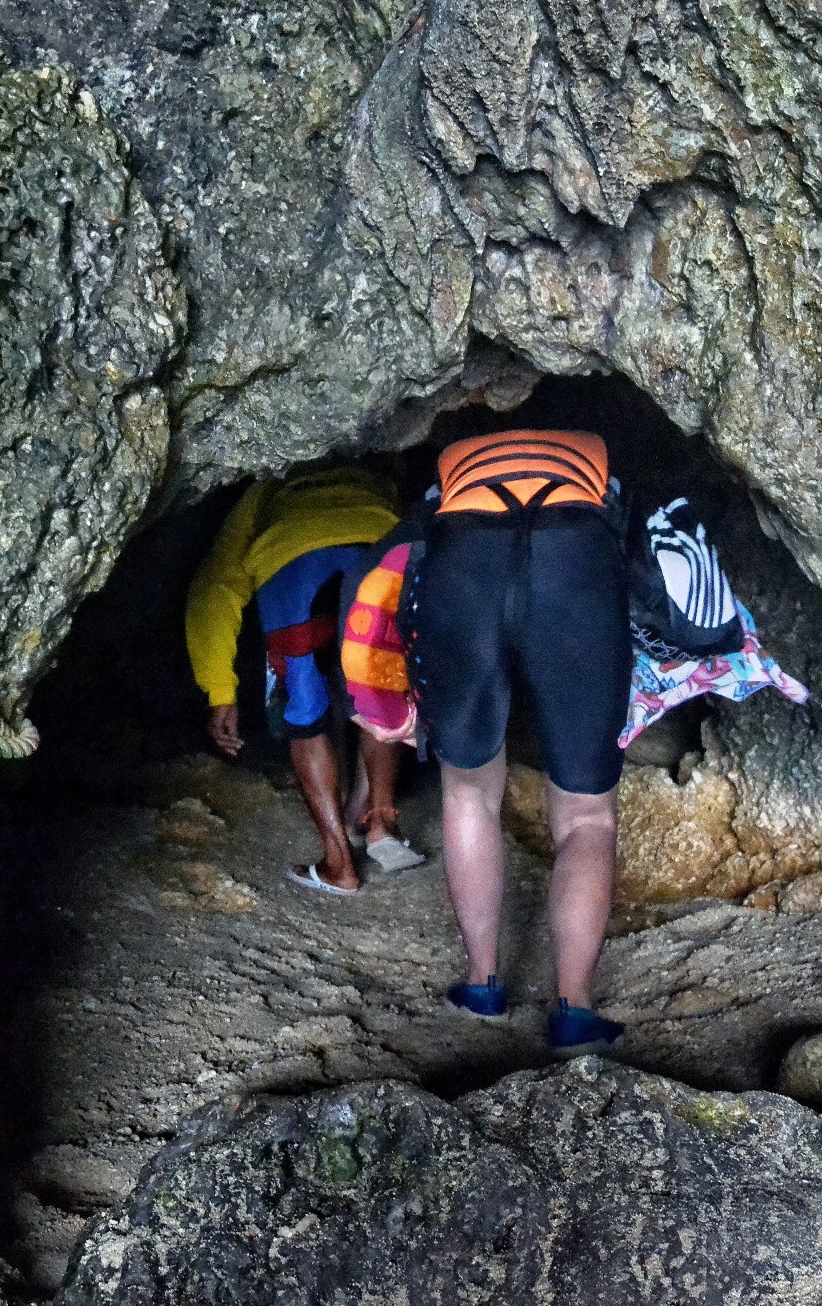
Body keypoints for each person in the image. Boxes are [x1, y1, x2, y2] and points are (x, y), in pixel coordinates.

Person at [344, 426, 629, 1053]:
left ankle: (481, 984)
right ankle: (574, 1009)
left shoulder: (448, 474)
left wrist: (384, 700)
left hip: (462, 568)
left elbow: (386, 571)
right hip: (575, 562)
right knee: (587, 817)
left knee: (469, 792)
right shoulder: (596, 460)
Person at [186, 463, 425, 893]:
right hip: (379, 551)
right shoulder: (378, 478)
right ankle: (379, 824)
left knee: (305, 710)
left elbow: (217, 585)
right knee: (379, 690)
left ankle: (339, 864)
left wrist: (220, 691)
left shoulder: (268, 484)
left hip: (295, 558)